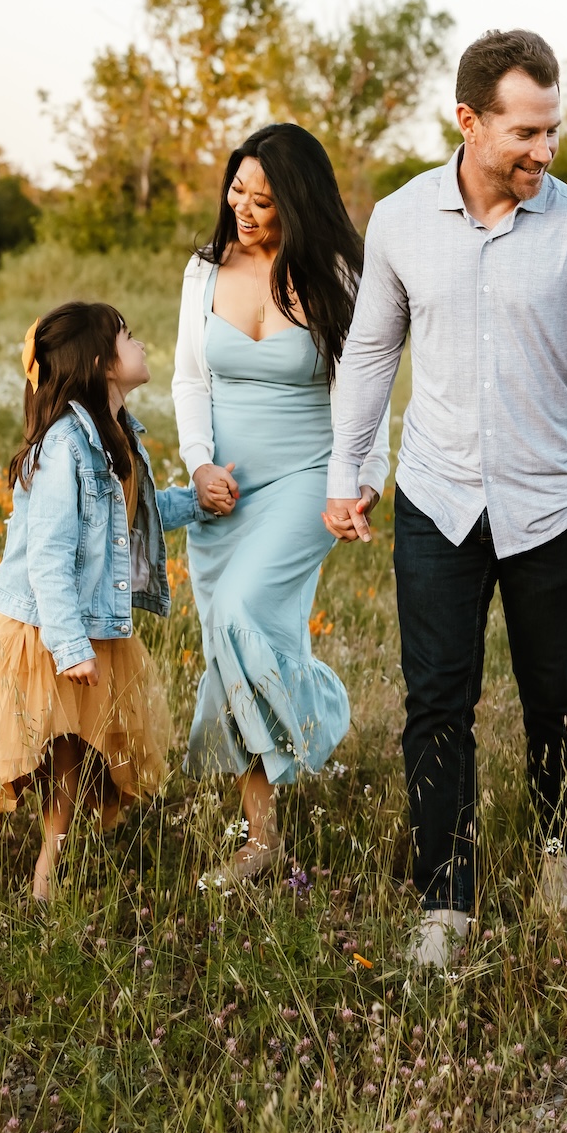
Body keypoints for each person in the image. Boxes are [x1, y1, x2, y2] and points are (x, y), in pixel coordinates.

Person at [325, 28, 567, 967]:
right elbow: (370, 354)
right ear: (468, 121)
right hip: (435, 496)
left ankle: (562, 851)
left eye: (553, 130)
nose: (544, 152)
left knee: (556, 694)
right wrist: (345, 468)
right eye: (524, 132)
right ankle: (445, 902)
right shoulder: (398, 220)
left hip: (551, 501)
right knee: (437, 701)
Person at [0, 302, 223, 900]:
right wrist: (68, 646)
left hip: (89, 623)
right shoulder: (66, 445)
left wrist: (199, 502)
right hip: (39, 624)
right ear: (101, 364)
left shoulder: (121, 435)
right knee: (14, 746)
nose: (140, 343)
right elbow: (49, 558)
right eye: (128, 335)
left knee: (73, 749)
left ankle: (49, 864)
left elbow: (130, 517)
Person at [173, 123, 390, 886]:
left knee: (240, 612)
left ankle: (322, 708)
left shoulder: (338, 273)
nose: (246, 210)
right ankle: (261, 838)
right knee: (231, 643)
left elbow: (365, 392)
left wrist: (366, 476)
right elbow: (189, 382)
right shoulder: (205, 270)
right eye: (238, 191)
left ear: (298, 201)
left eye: (265, 200)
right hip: (223, 494)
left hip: (307, 476)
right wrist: (198, 466)